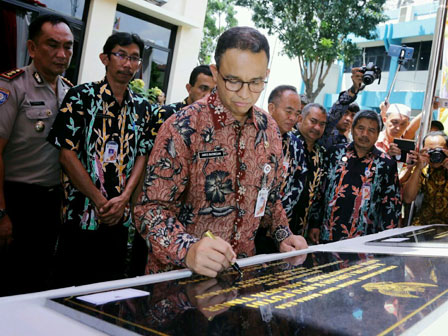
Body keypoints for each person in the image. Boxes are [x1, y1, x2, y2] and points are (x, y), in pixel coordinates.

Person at [134, 26, 308, 277]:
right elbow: (149, 210)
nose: (245, 93)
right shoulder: (184, 126)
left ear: (266, 75)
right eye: (233, 81)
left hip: (241, 278)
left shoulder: (269, 128)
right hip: (181, 278)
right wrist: (188, 249)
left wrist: (284, 235)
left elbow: (269, 199)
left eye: (256, 82)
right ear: (215, 72)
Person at [47, 32, 161, 286]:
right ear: (104, 58)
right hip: (80, 216)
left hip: (120, 220)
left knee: (107, 294)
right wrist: (99, 200)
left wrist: (123, 200)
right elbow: (66, 155)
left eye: (134, 58)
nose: (127, 64)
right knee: (67, 291)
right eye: (121, 55)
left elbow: (142, 155)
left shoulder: (144, 108)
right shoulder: (80, 97)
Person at [0, 14, 74, 295]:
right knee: (8, 282)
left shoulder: (69, 92)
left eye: (68, 47)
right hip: (15, 199)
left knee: (37, 281)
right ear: (32, 48)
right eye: (52, 45)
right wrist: (1, 213)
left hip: (50, 203)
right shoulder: (11, 86)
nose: (61, 54)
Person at [309, 110, 402, 243]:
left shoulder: (386, 164)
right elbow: (319, 192)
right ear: (352, 129)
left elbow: (391, 204)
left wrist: (386, 240)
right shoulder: (334, 154)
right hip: (327, 234)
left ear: (377, 134)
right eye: (360, 128)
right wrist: (314, 224)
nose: (365, 134)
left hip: (365, 240)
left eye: (371, 130)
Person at [255, 85, 301, 253]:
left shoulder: (296, 145)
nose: (293, 118)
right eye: (288, 111)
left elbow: (296, 187)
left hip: (277, 230)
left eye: (297, 113)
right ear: (271, 108)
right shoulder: (253, 136)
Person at [289, 103, 327, 243]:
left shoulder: (321, 154)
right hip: (274, 228)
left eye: (322, 124)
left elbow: (318, 194)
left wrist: (315, 224)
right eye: (313, 121)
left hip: (302, 230)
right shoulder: (285, 143)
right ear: (300, 119)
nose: (317, 127)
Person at [402, 131, 448, 225]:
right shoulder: (421, 170)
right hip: (422, 228)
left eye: (439, 150)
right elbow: (408, 198)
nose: (435, 154)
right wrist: (418, 168)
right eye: (430, 151)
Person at [319, 68, 363, 150]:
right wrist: (354, 89)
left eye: (353, 116)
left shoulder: (352, 144)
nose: (348, 119)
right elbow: (339, 106)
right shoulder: (324, 132)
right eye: (345, 113)